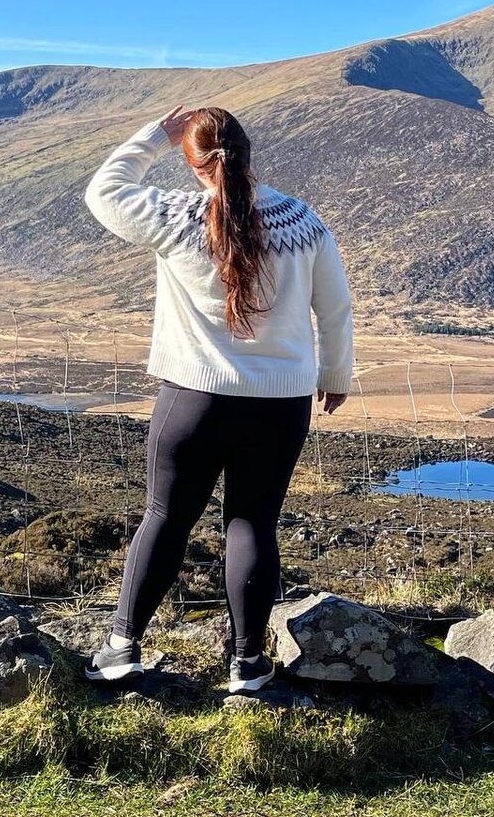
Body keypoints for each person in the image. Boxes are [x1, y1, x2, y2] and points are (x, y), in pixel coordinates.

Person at [79, 105, 354, 693]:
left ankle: (122, 649)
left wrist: (155, 138)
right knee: (252, 522)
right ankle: (248, 666)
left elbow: (104, 192)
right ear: (248, 155)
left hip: (193, 400)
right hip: (280, 403)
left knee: (165, 517)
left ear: (194, 163)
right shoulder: (303, 222)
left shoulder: (177, 216)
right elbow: (334, 307)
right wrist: (335, 373)